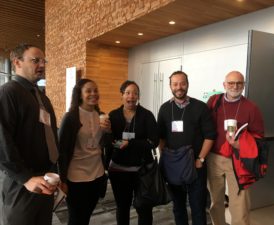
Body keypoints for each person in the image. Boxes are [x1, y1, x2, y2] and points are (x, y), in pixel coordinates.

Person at [0, 43, 59, 225]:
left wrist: (57, 173)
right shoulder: (8, 92)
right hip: (22, 183)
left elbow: (50, 135)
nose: (42, 65)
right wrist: (25, 178)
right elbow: (2, 141)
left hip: (46, 179)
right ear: (17, 62)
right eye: (35, 60)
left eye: (43, 61)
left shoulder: (41, 96)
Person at [157, 71, 216, 225]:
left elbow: (210, 136)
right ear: (170, 86)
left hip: (196, 165)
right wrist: (164, 158)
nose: (179, 87)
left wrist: (200, 159)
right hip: (174, 165)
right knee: (178, 206)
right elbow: (161, 137)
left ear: (188, 84)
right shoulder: (164, 109)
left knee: (198, 207)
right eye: (175, 84)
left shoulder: (200, 107)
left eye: (182, 83)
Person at [206, 71, 265, 225]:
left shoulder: (251, 108)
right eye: (231, 83)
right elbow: (203, 123)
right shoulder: (214, 101)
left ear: (243, 85)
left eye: (239, 83)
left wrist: (240, 145)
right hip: (214, 158)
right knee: (216, 201)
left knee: (239, 204)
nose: (235, 86)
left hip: (238, 160)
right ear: (224, 85)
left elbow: (259, 137)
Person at [58, 78, 110, 225]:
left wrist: (108, 132)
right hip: (76, 177)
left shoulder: (101, 115)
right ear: (80, 95)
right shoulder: (71, 118)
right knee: (76, 218)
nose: (93, 94)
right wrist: (62, 180)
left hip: (97, 174)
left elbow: (105, 144)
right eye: (88, 91)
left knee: (87, 215)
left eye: (95, 90)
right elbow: (61, 151)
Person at [107, 80, 159, 225]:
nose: (132, 96)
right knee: (122, 208)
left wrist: (131, 144)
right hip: (119, 171)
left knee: (144, 208)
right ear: (122, 95)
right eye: (128, 93)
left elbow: (153, 141)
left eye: (135, 93)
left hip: (142, 171)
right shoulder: (113, 115)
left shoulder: (147, 115)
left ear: (139, 96)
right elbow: (110, 141)